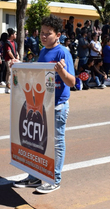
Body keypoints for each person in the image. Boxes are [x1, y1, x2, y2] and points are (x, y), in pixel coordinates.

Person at [13, 14, 75, 194]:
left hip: (57, 107)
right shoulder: (42, 52)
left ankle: (54, 179)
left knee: (56, 143)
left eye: (48, 33)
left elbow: (71, 82)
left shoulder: (63, 52)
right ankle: (34, 177)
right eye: (42, 32)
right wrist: (19, 66)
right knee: (36, 142)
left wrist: (61, 71)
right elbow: (36, 75)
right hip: (42, 107)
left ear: (58, 35)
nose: (43, 36)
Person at [4, 28, 20, 94]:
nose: (16, 35)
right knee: (9, 71)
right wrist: (14, 58)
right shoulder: (7, 42)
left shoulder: (15, 43)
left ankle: (13, 84)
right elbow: (9, 52)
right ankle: (8, 84)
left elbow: (15, 50)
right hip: (9, 59)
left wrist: (17, 56)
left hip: (14, 59)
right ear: (12, 35)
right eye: (15, 34)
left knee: (15, 72)